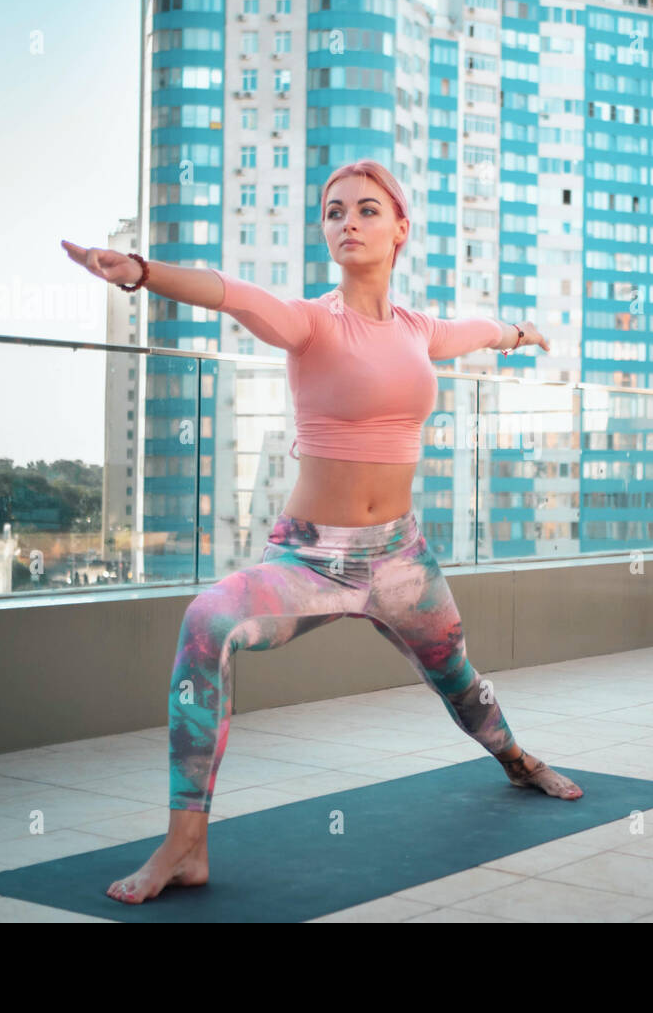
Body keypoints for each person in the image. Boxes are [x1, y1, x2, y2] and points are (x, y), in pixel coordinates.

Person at [61, 160, 583, 905]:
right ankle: (186, 843)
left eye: (367, 210)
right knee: (207, 621)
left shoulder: (417, 330)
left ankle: (517, 759)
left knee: (459, 679)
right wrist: (140, 270)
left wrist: (520, 333)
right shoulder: (308, 321)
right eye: (334, 212)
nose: (348, 223)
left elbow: (478, 332)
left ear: (400, 229)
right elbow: (227, 291)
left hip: (400, 560)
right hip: (310, 559)